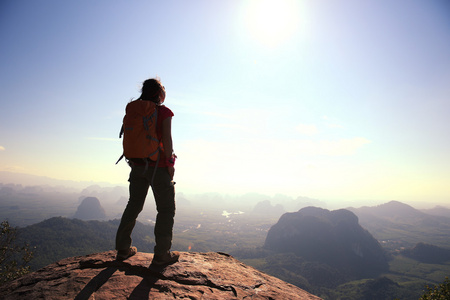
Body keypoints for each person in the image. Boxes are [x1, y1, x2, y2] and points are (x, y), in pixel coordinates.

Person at [115, 78, 179, 265]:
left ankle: (122, 249)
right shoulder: (163, 112)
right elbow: (167, 140)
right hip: (157, 167)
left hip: (137, 166)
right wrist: (170, 164)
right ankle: (161, 254)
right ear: (159, 93)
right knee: (166, 209)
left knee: (133, 205)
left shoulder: (134, 110)